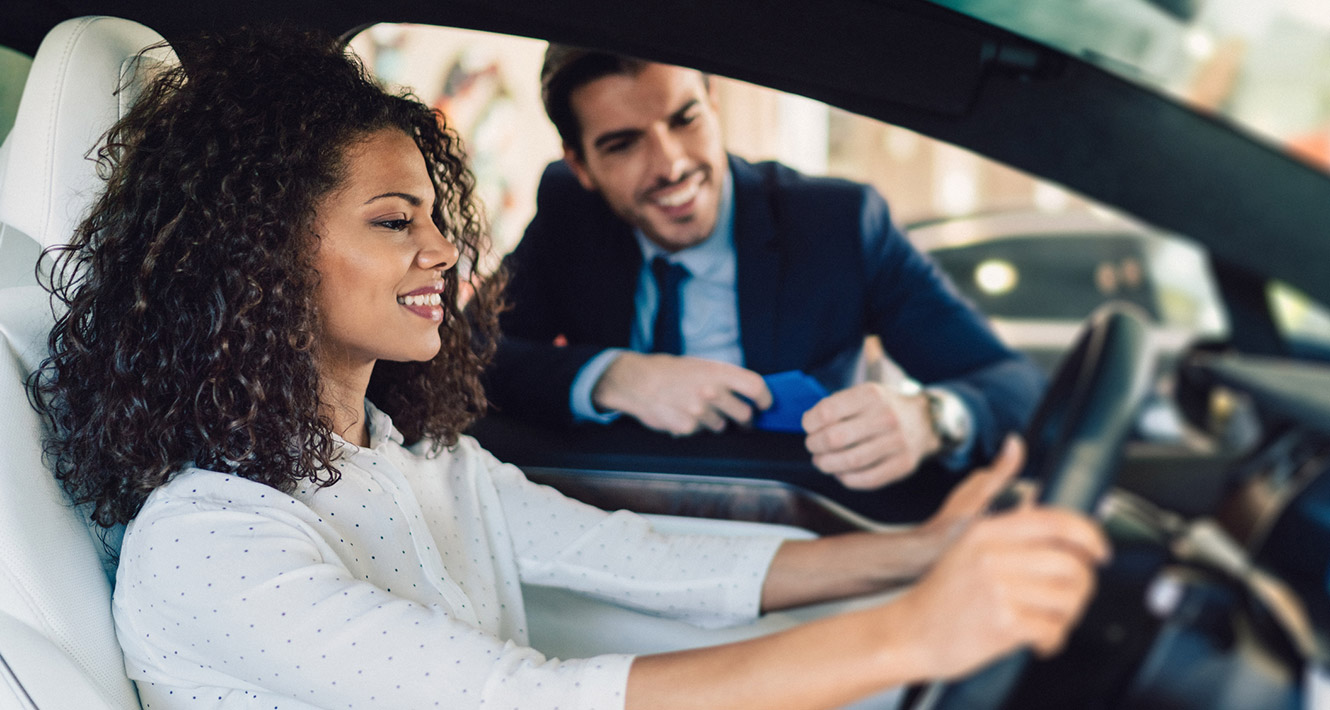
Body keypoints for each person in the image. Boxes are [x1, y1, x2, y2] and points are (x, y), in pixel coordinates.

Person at [32, 27, 1107, 710]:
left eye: (436, 217)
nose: (447, 252)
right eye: (396, 221)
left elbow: (636, 553)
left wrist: (916, 551)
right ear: (260, 256)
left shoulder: (414, 457)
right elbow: (522, 695)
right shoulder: (212, 542)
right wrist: (914, 629)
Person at [486, 47, 1046, 491]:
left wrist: (931, 419)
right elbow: (471, 357)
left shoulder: (838, 225)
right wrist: (611, 377)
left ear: (715, 104)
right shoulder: (569, 214)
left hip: (803, 518)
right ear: (580, 165)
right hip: (612, 517)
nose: (672, 165)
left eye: (685, 119)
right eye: (623, 144)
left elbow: (1012, 387)